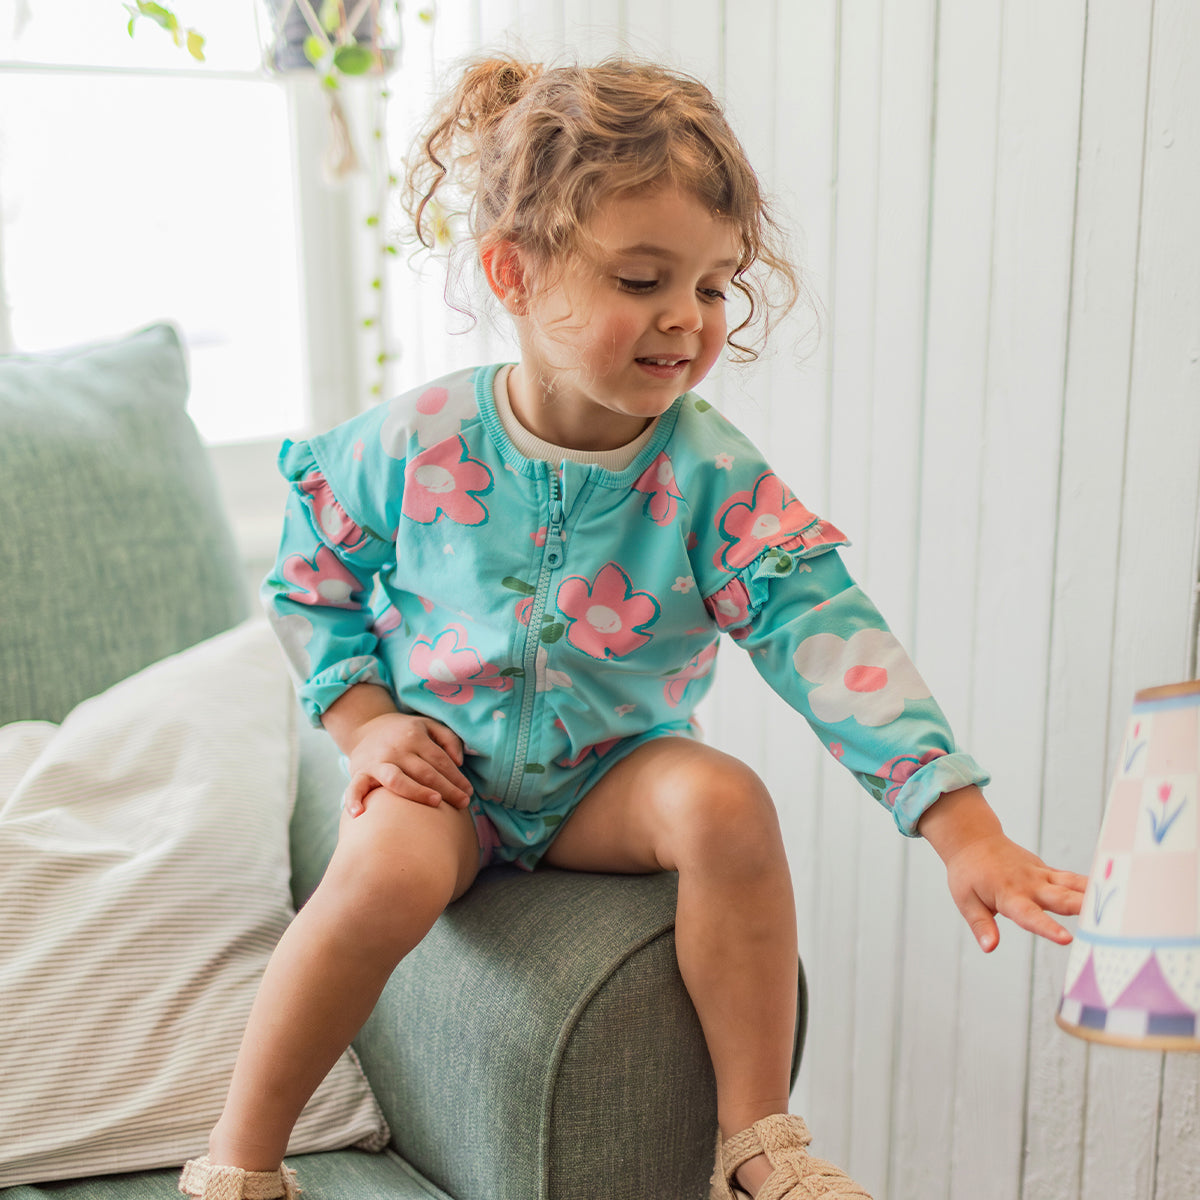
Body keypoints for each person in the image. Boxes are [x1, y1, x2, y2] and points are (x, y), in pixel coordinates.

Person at [179, 56, 1088, 1200]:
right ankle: (240, 1161)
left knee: (724, 800)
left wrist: (963, 828)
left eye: (712, 287)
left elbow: (825, 631)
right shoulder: (414, 442)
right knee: (381, 879)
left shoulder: (708, 476)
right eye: (643, 278)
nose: (685, 320)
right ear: (513, 273)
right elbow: (309, 581)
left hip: (607, 777)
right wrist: (364, 723)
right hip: (444, 773)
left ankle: (758, 1144)